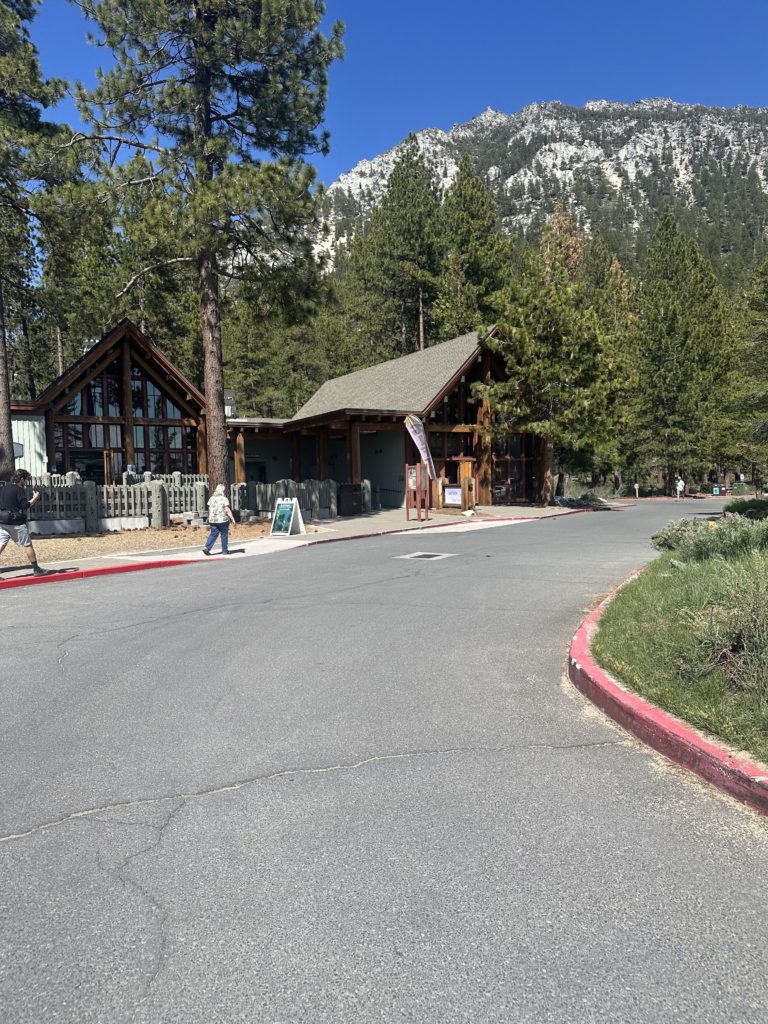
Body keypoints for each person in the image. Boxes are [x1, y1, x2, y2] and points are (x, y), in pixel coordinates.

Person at [0, 470, 53, 578]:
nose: (26, 482)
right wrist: (35, 497)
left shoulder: (5, 488)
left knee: (1, 544)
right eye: (26, 480)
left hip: (3, 521)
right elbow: (25, 505)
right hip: (16, 523)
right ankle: (37, 569)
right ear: (21, 479)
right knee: (27, 545)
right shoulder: (19, 490)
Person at [202, 483, 236, 555]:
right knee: (224, 535)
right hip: (222, 520)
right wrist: (232, 519)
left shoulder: (211, 498)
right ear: (222, 491)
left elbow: (210, 509)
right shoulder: (224, 499)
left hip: (213, 520)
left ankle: (207, 548)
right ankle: (224, 550)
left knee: (213, 534)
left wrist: (209, 518)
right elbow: (227, 510)